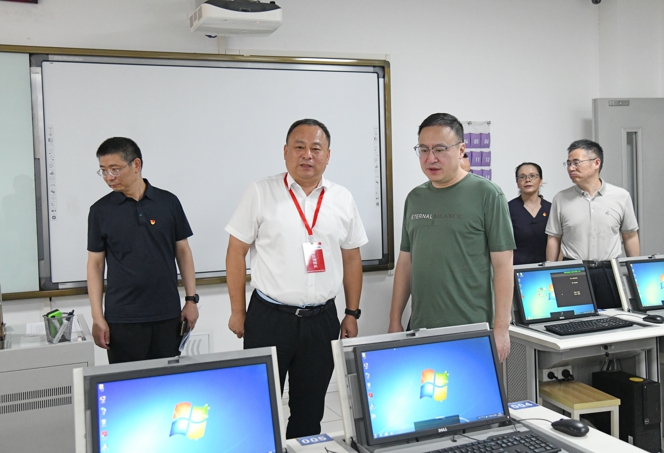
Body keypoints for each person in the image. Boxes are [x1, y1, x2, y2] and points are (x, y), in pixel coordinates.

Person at [225, 118, 367, 439]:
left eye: (315, 148)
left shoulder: (342, 198)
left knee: (310, 409)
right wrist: (237, 311)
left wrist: (351, 312)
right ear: (285, 151)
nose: (307, 155)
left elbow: (351, 258)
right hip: (269, 318)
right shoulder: (260, 192)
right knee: (259, 406)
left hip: (322, 320)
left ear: (327, 155)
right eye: (299, 147)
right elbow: (235, 253)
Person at [388, 113, 515, 362]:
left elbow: (503, 265)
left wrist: (501, 329)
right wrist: (395, 320)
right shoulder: (415, 198)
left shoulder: (487, 194)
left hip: (473, 328)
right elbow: (405, 263)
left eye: (440, 149)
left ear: (461, 150)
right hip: (423, 326)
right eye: (423, 150)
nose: (430, 158)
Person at [87, 137, 199, 364]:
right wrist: (97, 317)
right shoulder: (100, 211)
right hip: (123, 318)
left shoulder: (168, 202)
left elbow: (183, 252)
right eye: (103, 171)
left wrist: (191, 300)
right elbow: (95, 265)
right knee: (127, 381)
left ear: (136, 165)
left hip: (167, 314)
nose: (109, 177)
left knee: (166, 379)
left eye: (115, 169)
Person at [546, 139, 640, 308]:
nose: (571, 168)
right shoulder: (560, 199)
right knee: (573, 318)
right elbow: (554, 238)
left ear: (596, 163)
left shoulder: (621, 196)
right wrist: (550, 271)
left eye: (576, 162)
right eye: (568, 163)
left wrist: (636, 273)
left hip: (609, 271)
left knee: (614, 317)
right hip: (572, 269)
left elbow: (630, 236)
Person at [508, 162, 551, 265]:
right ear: (517, 183)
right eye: (522, 177)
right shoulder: (508, 209)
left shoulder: (551, 209)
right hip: (517, 268)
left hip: (545, 268)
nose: (527, 180)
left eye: (532, 176)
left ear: (540, 181)